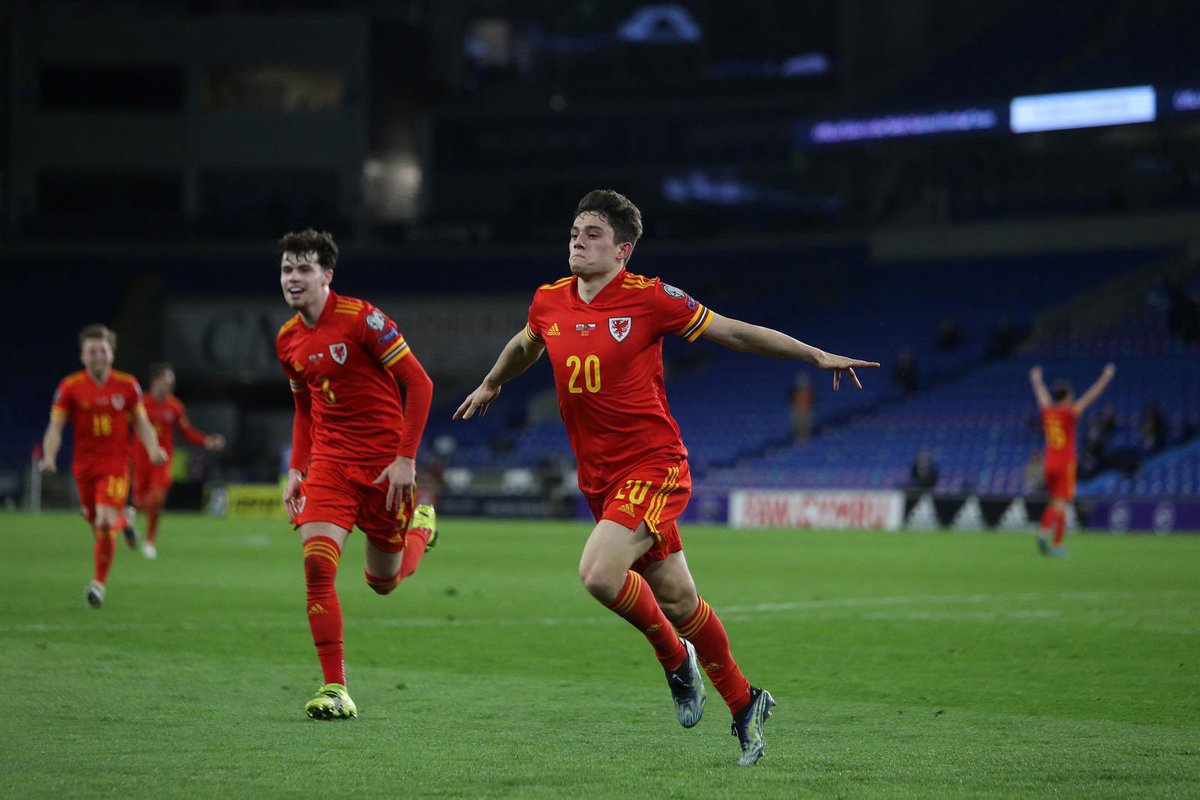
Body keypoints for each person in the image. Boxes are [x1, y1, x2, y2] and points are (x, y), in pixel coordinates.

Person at [454, 189, 879, 766]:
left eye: (594, 233)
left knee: (600, 575)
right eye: (575, 230)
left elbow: (732, 331)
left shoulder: (650, 298)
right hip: (599, 477)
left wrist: (813, 355)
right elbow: (527, 343)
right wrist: (492, 382)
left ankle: (674, 660)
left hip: (654, 465)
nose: (578, 240)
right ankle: (744, 700)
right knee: (679, 600)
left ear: (622, 250)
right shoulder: (549, 300)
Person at [276, 229, 437, 720]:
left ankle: (421, 528)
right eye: (287, 269)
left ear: (326, 275)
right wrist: (296, 470)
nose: (293, 278)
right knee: (317, 566)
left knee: (381, 582)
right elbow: (304, 408)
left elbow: (420, 383)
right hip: (330, 465)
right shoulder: (287, 340)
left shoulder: (362, 319)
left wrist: (406, 460)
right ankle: (334, 687)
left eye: (303, 269)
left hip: (388, 468)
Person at [39, 324, 168, 608]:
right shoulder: (70, 387)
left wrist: (153, 448)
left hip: (116, 465)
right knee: (98, 524)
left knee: (104, 522)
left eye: (102, 350)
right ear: (82, 356)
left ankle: (98, 585)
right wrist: (49, 457)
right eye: (91, 351)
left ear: (112, 353)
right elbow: (55, 427)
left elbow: (143, 422)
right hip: (84, 468)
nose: (97, 356)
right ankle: (127, 519)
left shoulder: (127, 385)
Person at [126, 362, 226, 560]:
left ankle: (149, 542)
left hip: (163, 459)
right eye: (167, 380)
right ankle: (129, 516)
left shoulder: (174, 406)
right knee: (140, 500)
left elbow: (186, 431)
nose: (171, 385)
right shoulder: (141, 403)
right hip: (140, 458)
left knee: (157, 497)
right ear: (156, 380)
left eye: (172, 381)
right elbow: (123, 427)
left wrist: (206, 441)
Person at [1028, 363, 1115, 556]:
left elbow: (1041, 397)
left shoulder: (1048, 412)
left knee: (1055, 502)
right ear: (1067, 396)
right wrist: (1105, 377)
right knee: (1062, 504)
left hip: (1049, 462)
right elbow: (1091, 396)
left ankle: (1053, 542)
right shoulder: (1069, 413)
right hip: (1065, 463)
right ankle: (1048, 536)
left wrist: (1036, 380)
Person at [788, 372, 815, 443]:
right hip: (798, 411)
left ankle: (806, 439)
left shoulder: (810, 391)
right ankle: (799, 439)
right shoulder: (796, 391)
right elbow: (791, 400)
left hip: (806, 411)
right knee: (798, 425)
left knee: (806, 426)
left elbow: (812, 401)